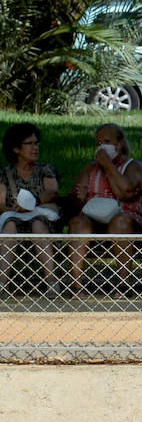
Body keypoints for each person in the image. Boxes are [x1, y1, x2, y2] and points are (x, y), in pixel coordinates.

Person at [68, 123, 142, 297]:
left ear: (119, 145)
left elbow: (127, 192)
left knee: (120, 222)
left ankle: (124, 285)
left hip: (124, 219)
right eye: (98, 143)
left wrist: (108, 165)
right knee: (78, 223)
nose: (102, 147)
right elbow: (73, 199)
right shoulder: (90, 167)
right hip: (93, 218)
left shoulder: (133, 166)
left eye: (107, 141)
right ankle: (76, 286)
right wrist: (78, 196)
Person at [0, 122, 60, 295]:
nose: (35, 148)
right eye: (30, 144)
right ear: (16, 149)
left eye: (36, 143)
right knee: (10, 224)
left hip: (42, 220)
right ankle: (2, 284)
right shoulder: (5, 174)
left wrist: (32, 202)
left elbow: (52, 192)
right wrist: (16, 209)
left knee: (37, 224)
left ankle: (52, 283)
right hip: (15, 220)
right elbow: (1, 204)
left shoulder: (45, 169)